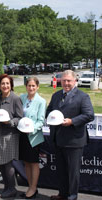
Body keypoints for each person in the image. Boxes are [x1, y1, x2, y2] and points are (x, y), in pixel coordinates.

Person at [46, 70, 94, 200]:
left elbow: (89, 115)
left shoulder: (82, 96)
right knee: (61, 171)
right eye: (64, 80)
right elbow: (49, 111)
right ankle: (62, 194)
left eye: (69, 81)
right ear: (60, 80)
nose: (66, 83)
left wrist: (72, 121)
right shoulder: (56, 95)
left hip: (74, 141)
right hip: (58, 139)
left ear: (74, 81)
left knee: (73, 173)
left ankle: (72, 197)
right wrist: (51, 117)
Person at [0, 74, 23, 198]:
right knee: (2, 163)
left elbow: (20, 118)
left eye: (7, 83)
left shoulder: (15, 99)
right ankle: (7, 187)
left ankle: (11, 188)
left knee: (8, 163)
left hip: (10, 134)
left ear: (11, 85)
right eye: (2, 83)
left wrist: (9, 122)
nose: (5, 86)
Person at [19, 77, 46, 199]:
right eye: (29, 86)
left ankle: (33, 188)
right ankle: (30, 186)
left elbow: (41, 121)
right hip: (22, 135)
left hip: (33, 137)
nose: (31, 88)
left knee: (33, 163)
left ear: (37, 87)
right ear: (26, 87)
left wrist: (31, 129)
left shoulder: (41, 101)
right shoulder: (22, 98)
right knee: (26, 163)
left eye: (33, 86)